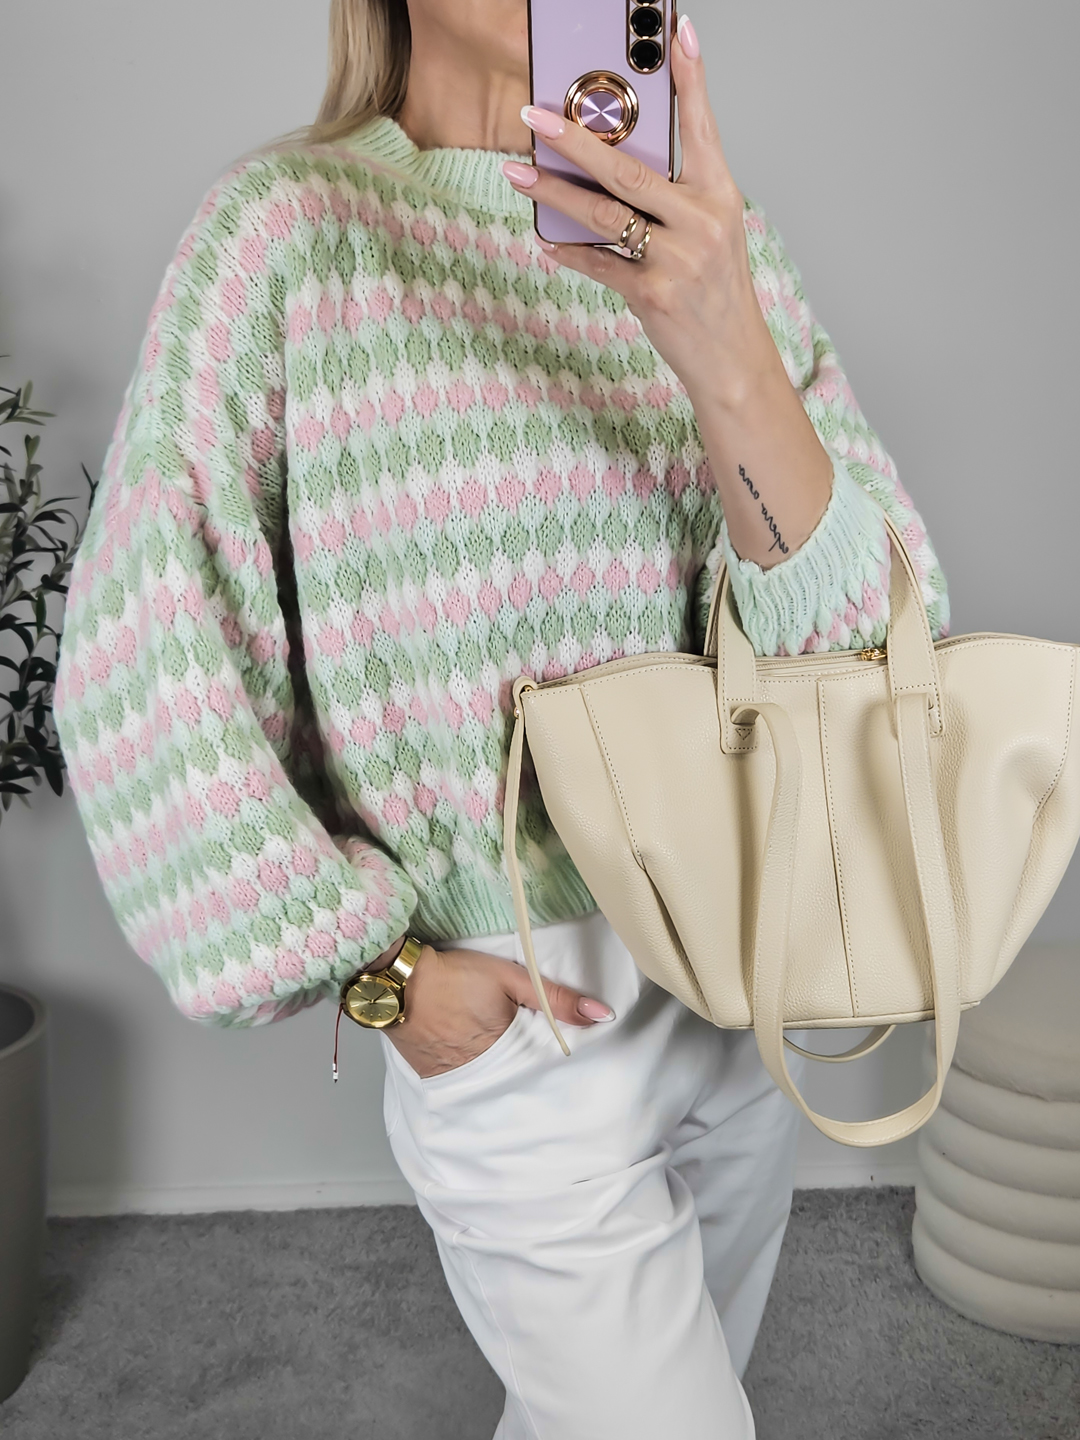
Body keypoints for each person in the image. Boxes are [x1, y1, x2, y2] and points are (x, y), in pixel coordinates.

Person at [54, 0, 949, 1434]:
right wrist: (377, 973)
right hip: (519, 1012)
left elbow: (872, 644)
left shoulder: (704, 243)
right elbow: (144, 650)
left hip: (743, 979)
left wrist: (723, 344)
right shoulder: (289, 232)